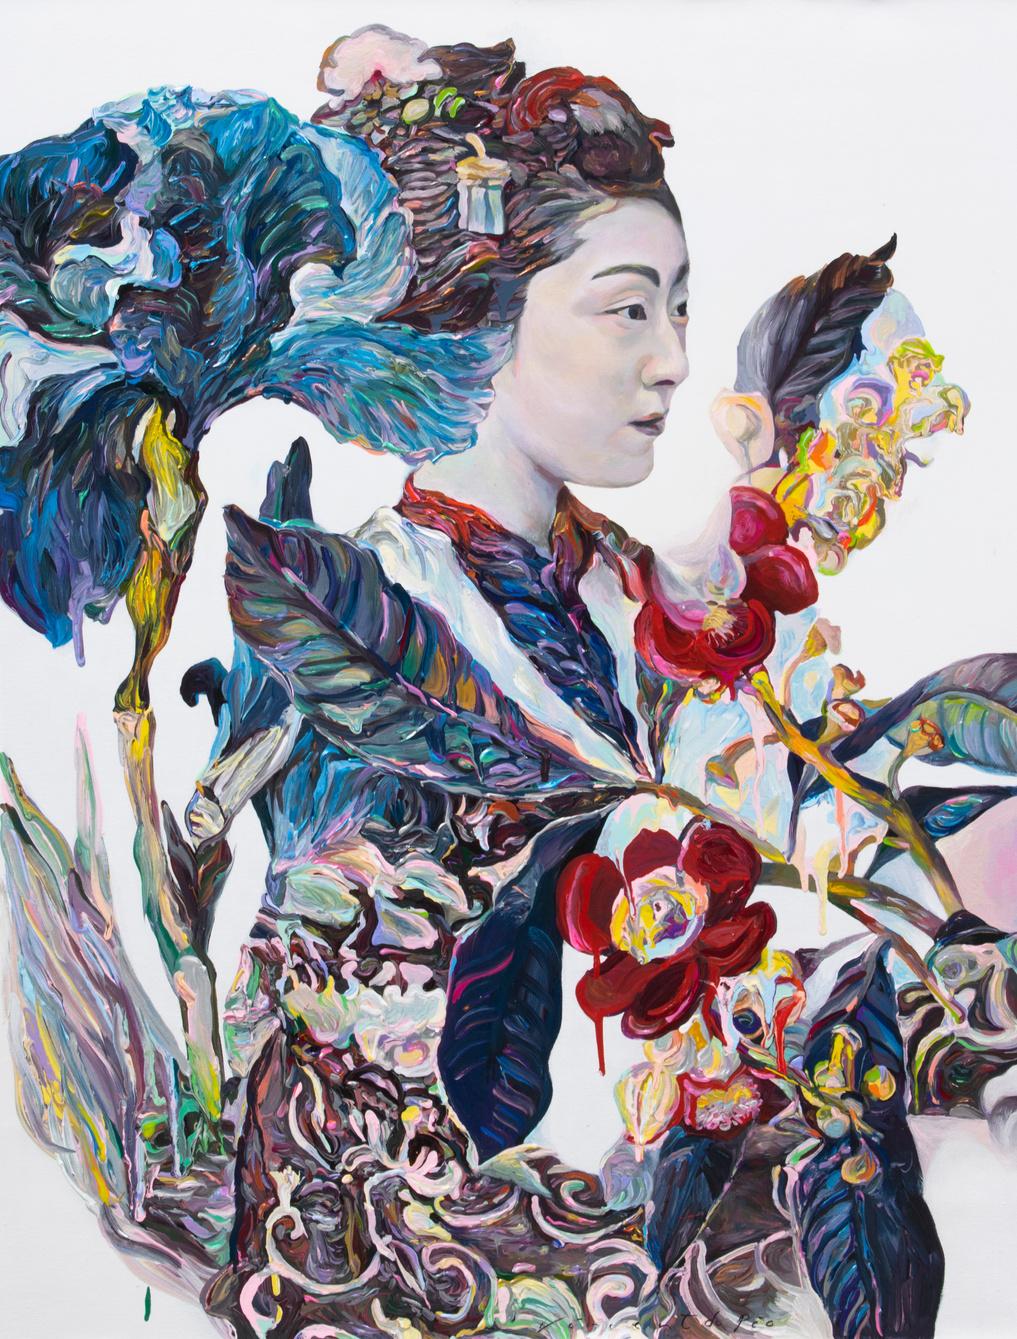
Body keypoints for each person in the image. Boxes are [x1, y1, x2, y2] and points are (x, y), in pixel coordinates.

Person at [0, 23, 1005, 1339]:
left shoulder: (638, 591)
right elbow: (353, 1036)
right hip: (419, 1229)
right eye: (628, 306)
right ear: (481, 313)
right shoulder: (376, 617)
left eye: (681, 306)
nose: (672, 358)